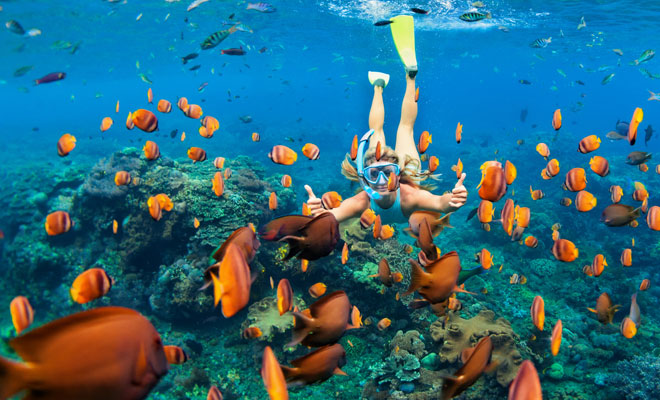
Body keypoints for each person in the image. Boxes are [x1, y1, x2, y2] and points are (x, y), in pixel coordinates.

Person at [304, 15, 467, 225]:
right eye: (374, 174)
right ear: (366, 179)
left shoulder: (409, 196)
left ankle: (383, 84)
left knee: (381, 130)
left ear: (397, 175)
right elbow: (332, 217)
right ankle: (403, 78)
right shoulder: (362, 201)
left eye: (387, 173)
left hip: (405, 173)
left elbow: (441, 204)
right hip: (410, 169)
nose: (382, 181)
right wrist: (319, 214)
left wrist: (452, 201)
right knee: (405, 129)